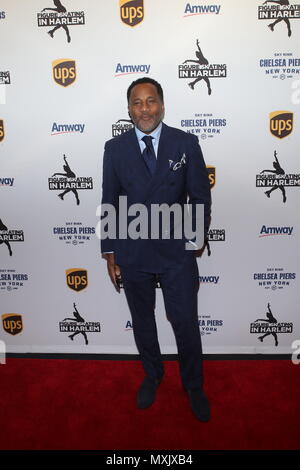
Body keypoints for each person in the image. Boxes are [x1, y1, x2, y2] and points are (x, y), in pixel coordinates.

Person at [100, 77, 212, 421]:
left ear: (162, 105)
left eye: (150, 101)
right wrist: (110, 251)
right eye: (137, 102)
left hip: (176, 252)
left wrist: (194, 241)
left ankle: (193, 385)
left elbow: (200, 196)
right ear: (129, 109)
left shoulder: (186, 143)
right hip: (133, 251)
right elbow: (110, 201)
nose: (144, 109)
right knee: (143, 320)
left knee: (185, 322)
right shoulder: (114, 148)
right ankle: (153, 374)